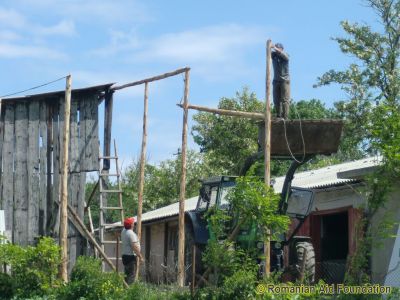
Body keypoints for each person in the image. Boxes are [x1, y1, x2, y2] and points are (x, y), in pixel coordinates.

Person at [121, 217, 144, 284]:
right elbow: (134, 247)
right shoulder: (130, 234)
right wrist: (140, 257)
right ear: (131, 225)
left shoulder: (124, 231)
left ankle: (125, 289)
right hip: (130, 257)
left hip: (125, 256)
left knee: (126, 275)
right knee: (131, 276)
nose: (134, 223)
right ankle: (129, 291)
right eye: (133, 223)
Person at [271, 42, 290, 119]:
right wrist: (269, 47)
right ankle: (279, 115)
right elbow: (270, 52)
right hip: (276, 80)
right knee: (276, 99)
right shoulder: (274, 56)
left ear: (282, 49)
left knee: (285, 99)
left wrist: (274, 48)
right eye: (276, 47)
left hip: (284, 80)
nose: (276, 49)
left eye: (278, 48)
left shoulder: (285, 56)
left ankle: (285, 116)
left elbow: (285, 56)